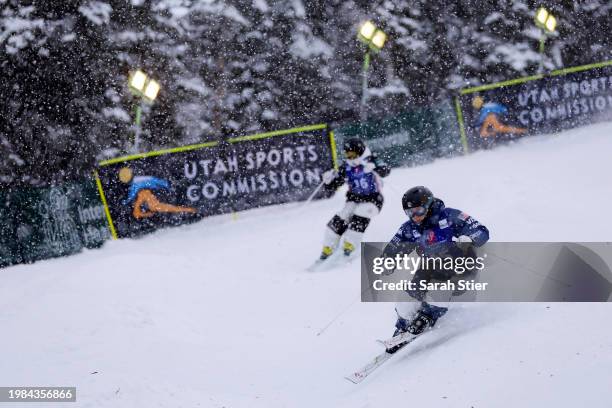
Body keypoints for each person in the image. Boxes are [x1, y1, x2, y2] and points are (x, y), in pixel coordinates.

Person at [382, 186, 489, 352]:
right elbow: (395, 246)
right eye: (409, 212)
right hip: (430, 266)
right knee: (407, 296)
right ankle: (403, 327)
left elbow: (481, 231)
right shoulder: (410, 228)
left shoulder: (451, 216)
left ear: (429, 205)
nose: (414, 217)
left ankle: (428, 316)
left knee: (439, 289)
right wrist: (388, 261)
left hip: (460, 264)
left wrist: (469, 238)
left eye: (418, 211)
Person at [319, 138, 390, 259]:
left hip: (373, 200)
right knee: (341, 217)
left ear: (360, 152)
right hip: (354, 199)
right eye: (347, 154)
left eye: (353, 154)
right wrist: (328, 180)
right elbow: (334, 184)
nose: (350, 157)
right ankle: (328, 247)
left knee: (360, 214)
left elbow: (386, 169)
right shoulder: (346, 167)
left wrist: (375, 168)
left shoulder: (371, 159)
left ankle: (350, 245)